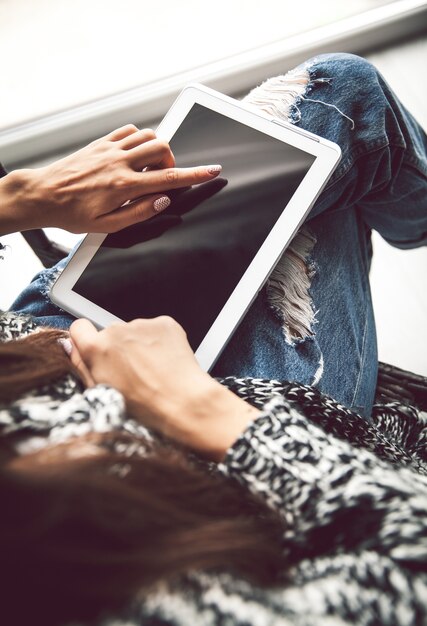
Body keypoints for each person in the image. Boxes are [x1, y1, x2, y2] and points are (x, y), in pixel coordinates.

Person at [0, 53, 426, 626]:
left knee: (340, 93)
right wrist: (192, 403)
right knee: (352, 107)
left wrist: (24, 196)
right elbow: (410, 567)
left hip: (33, 349)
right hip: (215, 466)